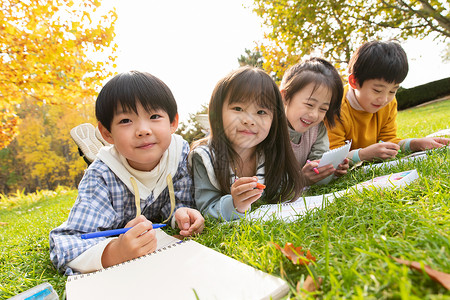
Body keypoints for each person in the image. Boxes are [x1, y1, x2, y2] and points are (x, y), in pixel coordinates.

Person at [50, 71, 205, 275]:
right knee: (105, 162)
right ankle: (97, 152)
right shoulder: (101, 175)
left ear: (173, 122)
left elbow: (179, 202)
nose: (143, 130)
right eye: (125, 121)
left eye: (154, 116)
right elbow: (66, 243)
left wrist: (182, 215)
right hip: (113, 175)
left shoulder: (180, 154)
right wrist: (114, 253)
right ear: (107, 133)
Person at [190, 66, 305, 221]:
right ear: (218, 112)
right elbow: (205, 209)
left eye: (261, 112)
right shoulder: (206, 157)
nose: (249, 120)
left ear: (274, 120)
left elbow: (285, 191)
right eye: (238, 108)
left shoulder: (272, 152)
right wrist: (234, 204)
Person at [326, 40, 450, 164]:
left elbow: (388, 140)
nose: (384, 99)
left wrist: (415, 144)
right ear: (354, 82)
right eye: (377, 90)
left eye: (392, 91)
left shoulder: (388, 103)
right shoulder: (334, 107)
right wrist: (363, 155)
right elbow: (332, 158)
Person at [280, 57, 349, 185]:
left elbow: (319, 160)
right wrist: (301, 179)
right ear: (285, 97)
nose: (314, 115)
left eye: (323, 109)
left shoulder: (317, 129)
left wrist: (330, 169)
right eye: (309, 104)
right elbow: (266, 183)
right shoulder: (269, 129)